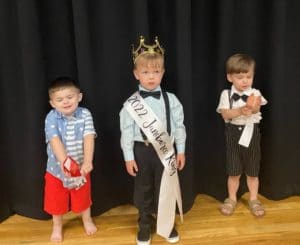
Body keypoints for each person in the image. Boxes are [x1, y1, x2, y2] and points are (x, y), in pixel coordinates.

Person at [120, 36, 186, 244]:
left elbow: (179, 127)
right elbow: (126, 131)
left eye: (156, 72)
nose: (151, 77)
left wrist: (181, 150)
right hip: (142, 151)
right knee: (144, 190)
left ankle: (167, 224)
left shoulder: (172, 99)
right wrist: (129, 157)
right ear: (136, 74)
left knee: (166, 188)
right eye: (145, 72)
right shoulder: (131, 104)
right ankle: (145, 225)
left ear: (163, 73)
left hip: (166, 150)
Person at [44, 77, 97, 242]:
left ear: (79, 97)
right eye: (60, 99)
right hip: (57, 170)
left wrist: (88, 161)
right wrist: (66, 164)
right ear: (53, 103)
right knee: (56, 200)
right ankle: (57, 226)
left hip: (81, 168)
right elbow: (54, 141)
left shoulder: (85, 114)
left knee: (83, 197)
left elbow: (89, 137)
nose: (65, 102)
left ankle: (86, 219)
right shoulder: (51, 117)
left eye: (70, 97)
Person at [216, 53, 267, 217]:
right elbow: (225, 114)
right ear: (230, 77)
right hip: (233, 136)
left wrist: (252, 108)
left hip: (251, 134)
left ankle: (253, 199)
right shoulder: (226, 94)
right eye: (240, 77)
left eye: (248, 76)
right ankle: (231, 198)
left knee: (253, 172)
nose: (245, 81)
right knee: (234, 171)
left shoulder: (256, 93)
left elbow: (258, 108)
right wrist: (240, 110)